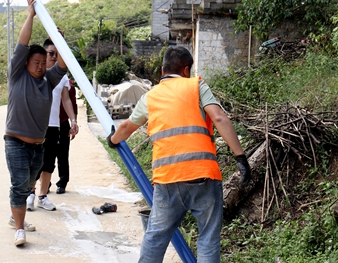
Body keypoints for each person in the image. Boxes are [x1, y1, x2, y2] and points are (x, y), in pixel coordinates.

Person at [107, 46, 251, 263]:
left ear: (163, 70)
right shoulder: (195, 85)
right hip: (203, 176)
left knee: (155, 237)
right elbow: (220, 118)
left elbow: (126, 127)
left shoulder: (150, 97)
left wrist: (112, 140)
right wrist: (241, 158)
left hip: (167, 180)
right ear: (186, 70)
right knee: (208, 238)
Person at [4, 0, 67, 247]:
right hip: (15, 142)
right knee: (20, 185)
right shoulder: (17, 75)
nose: (41, 66)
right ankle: (20, 229)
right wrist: (30, 15)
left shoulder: (48, 81)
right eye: (36, 62)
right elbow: (23, 43)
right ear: (26, 63)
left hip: (37, 146)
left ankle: (14, 215)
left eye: (44, 63)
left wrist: (58, 40)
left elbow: (62, 65)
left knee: (28, 184)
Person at [27, 38, 79, 211]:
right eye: (50, 53)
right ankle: (30, 194)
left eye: (56, 54)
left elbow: (66, 100)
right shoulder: (34, 75)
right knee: (35, 162)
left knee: (49, 163)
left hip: (54, 125)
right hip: (35, 126)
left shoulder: (61, 77)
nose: (53, 57)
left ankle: (42, 197)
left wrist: (73, 120)